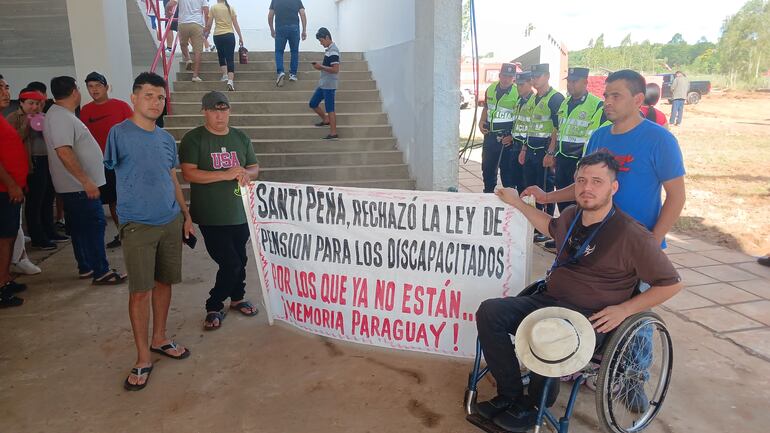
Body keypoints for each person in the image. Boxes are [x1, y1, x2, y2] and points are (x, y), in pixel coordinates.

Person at [475, 152, 683, 431]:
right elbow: (548, 225)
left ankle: (535, 405)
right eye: (582, 180)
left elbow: (671, 283)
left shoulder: (631, 235)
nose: (587, 187)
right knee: (490, 312)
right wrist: (516, 202)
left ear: (613, 187)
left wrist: (625, 309)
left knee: (551, 335)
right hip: (549, 301)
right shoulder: (571, 216)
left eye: (597, 181)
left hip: (591, 318)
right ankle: (510, 394)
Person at [523, 69, 686, 413]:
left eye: (615, 96)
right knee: (581, 302)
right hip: (590, 241)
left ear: (638, 100)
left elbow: (676, 196)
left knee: (635, 316)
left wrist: (652, 242)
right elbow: (584, 183)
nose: (607, 102)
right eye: (606, 95)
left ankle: (634, 378)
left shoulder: (659, 140)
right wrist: (548, 197)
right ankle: (575, 359)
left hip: (634, 247)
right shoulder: (598, 136)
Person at [104, 72, 194, 391]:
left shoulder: (166, 139)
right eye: (149, 96)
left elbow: (171, 177)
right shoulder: (118, 133)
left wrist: (185, 215)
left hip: (170, 220)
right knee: (140, 291)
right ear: (134, 98)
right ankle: (143, 357)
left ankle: (160, 338)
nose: (156, 102)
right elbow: (112, 175)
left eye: (160, 97)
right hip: (138, 224)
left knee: (164, 282)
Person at [179, 91, 260, 330]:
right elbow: (189, 173)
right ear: (204, 111)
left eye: (223, 110)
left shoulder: (240, 137)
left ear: (229, 111)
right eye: (214, 110)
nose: (219, 115)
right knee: (230, 262)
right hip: (211, 215)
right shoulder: (194, 138)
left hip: (240, 212)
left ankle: (237, 298)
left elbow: (254, 167)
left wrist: (246, 173)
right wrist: (224, 174)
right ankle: (214, 304)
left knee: (241, 259)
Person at [43, 76, 127, 285]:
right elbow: (63, 151)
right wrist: (86, 181)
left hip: (75, 186)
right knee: (94, 226)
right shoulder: (61, 117)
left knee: (80, 228)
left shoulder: (60, 114)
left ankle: (87, 266)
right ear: (75, 92)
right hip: (78, 187)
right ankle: (101, 271)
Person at [6, 89, 68, 250]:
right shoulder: (13, 118)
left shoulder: (44, 117)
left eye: (38, 104)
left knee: (48, 198)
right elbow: (14, 140)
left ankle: (50, 231)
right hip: (31, 163)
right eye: (31, 103)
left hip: (47, 161)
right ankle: (37, 237)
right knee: (35, 201)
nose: (34, 107)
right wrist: (27, 124)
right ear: (21, 103)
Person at [79, 72, 134, 249]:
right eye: (90, 86)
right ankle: (123, 235)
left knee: (123, 200)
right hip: (97, 164)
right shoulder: (85, 110)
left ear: (106, 87)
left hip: (121, 162)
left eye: (98, 86)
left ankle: (132, 234)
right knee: (109, 201)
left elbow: (134, 132)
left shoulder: (121, 106)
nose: (94, 90)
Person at [547, 67, 605, 215]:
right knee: (562, 200)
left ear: (585, 82)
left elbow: (593, 138)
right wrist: (553, 153)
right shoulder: (565, 103)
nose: (570, 85)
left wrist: (583, 165)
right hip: (562, 160)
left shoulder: (596, 105)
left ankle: (576, 229)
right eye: (569, 81)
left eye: (574, 81)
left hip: (579, 161)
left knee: (579, 201)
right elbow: (559, 130)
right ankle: (565, 227)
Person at [519, 63, 564, 242]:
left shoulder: (555, 98)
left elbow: (557, 128)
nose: (534, 80)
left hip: (544, 151)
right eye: (533, 77)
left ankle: (547, 227)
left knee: (545, 189)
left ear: (547, 76)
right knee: (530, 187)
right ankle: (535, 223)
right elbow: (529, 126)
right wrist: (524, 149)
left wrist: (551, 152)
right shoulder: (533, 98)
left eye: (538, 76)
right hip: (531, 149)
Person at [0, 74, 29, 308]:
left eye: (6, 87)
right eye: (0, 88)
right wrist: (10, 184)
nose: (5, 92)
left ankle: (5, 278)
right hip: (4, 189)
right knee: (4, 238)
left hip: (10, 188)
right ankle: (1, 285)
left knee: (9, 236)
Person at [478, 63, 519, 193]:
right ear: (499, 75)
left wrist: (512, 136)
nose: (506, 79)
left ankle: (510, 197)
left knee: (507, 171)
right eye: (504, 76)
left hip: (507, 139)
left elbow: (521, 118)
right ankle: (488, 193)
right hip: (490, 136)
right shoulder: (491, 88)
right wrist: (481, 121)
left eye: (510, 77)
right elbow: (486, 107)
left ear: (513, 78)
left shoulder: (517, 92)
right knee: (487, 168)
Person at [203, 0, 245, 92]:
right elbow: (235, 24)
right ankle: (230, 81)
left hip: (217, 35)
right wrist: (240, 37)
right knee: (230, 58)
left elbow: (209, 24)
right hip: (229, 35)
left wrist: (205, 33)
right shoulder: (230, 8)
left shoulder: (213, 8)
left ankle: (225, 75)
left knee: (221, 55)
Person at [309, 27, 340, 140]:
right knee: (313, 103)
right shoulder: (329, 50)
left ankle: (333, 133)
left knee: (330, 109)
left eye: (321, 41)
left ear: (327, 37)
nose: (321, 43)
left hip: (329, 86)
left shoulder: (333, 51)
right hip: (324, 84)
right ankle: (325, 119)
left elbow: (335, 69)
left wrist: (320, 67)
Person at [167, 0, 209, 82]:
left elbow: (170, 4)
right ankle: (195, 76)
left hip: (183, 23)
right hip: (197, 24)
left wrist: (167, 11)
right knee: (198, 51)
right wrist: (207, 27)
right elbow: (206, 12)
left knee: (183, 44)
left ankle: (188, 59)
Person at [268, 0, 307, 87]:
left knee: (279, 51)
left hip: (280, 27)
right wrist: (304, 30)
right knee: (294, 51)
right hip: (294, 27)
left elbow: (270, 16)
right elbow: (303, 14)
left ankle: (280, 72)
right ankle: (293, 74)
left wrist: (272, 30)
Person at [509, 71, 534, 194]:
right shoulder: (520, 100)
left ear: (530, 83)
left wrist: (524, 148)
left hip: (527, 147)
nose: (519, 87)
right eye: (517, 84)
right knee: (516, 180)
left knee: (526, 183)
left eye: (522, 84)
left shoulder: (534, 101)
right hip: (515, 145)